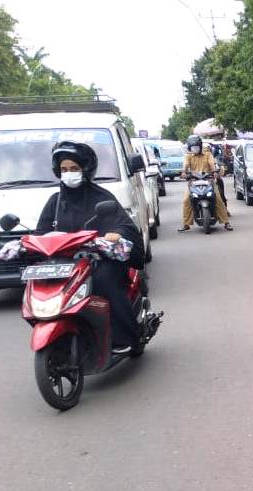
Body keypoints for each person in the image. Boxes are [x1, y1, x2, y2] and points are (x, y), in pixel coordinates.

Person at [36, 141, 144, 354]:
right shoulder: (55, 202)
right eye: (64, 170)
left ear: (85, 170)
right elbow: (40, 232)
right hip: (64, 263)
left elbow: (123, 224)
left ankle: (126, 338)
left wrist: (116, 234)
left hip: (100, 260)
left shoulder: (102, 197)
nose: (69, 174)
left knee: (104, 280)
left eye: (74, 169)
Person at [179, 134, 232, 232]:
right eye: (193, 147)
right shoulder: (188, 156)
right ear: (190, 148)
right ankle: (186, 224)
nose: (195, 149)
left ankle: (226, 222)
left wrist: (215, 171)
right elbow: (185, 165)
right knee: (186, 200)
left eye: (196, 147)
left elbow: (212, 163)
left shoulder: (207, 154)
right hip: (193, 181)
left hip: (208, 180)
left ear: (200, 146)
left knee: (218, 199)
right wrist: (183, 172)